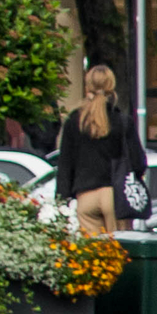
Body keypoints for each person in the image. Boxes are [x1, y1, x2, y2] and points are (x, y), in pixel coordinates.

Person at [54, 64, 131, 238]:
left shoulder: (74, 121)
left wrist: (61, 199)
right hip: (115, 196)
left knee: (93, 254)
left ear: (87, 86)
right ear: (111, 86)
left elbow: (65, 164)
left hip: (85, 196)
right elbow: (138, 161)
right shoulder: (122, 121)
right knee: (120, 252)